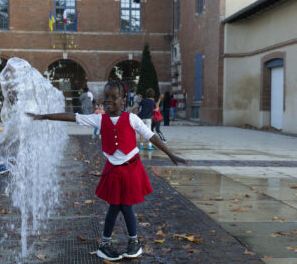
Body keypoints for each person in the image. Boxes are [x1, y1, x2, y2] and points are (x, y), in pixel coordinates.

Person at [25, 81, 187, 261]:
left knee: (125, 206)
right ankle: (112, 244)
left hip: (132, 168)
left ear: (123, 99)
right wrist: (44, 116)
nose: (109, 101)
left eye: (114, 97)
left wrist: (171, 154)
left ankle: (125, 243)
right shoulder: (99, 119)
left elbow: (152, 136)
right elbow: (72, 116)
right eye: (106, 97)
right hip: (114, 171)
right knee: (116, 206)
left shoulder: (132, 118)